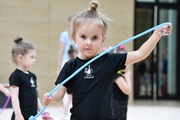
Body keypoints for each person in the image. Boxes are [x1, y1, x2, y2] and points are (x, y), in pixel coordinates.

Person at [43, 1, 172, 120]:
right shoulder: (70, 66)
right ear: (74, 38)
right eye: (83, 37)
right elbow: (60, 94)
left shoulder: (110, 61)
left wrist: (156, 35)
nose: (88, 42)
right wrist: (52, 97)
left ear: (102, 40)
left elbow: (140, 54)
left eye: (94, 38)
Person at [9, 36, 52, 120]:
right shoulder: (16, 76)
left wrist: (42, 111)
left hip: (31, 116)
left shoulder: (32, 76)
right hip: (21, 117)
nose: (34, 60)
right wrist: (18, 114)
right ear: (20, 58)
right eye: (32, 57)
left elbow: (35, 97)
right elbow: (14, 96)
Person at [56, 14, 77, 119]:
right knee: (65, 86)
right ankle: (65, 111)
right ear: (68, 22)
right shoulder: (64, 35)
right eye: (72, 21)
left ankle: (73, 109)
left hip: (76, 61)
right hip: (66, 61)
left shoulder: (79, 34)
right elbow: (61, 51)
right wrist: (59, 66)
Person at [111, 46, 131, 120]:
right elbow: (127, 90)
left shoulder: (121, 74)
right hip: (116, 106)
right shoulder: (116, 75)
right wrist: (128, 77)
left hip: (120, 105)